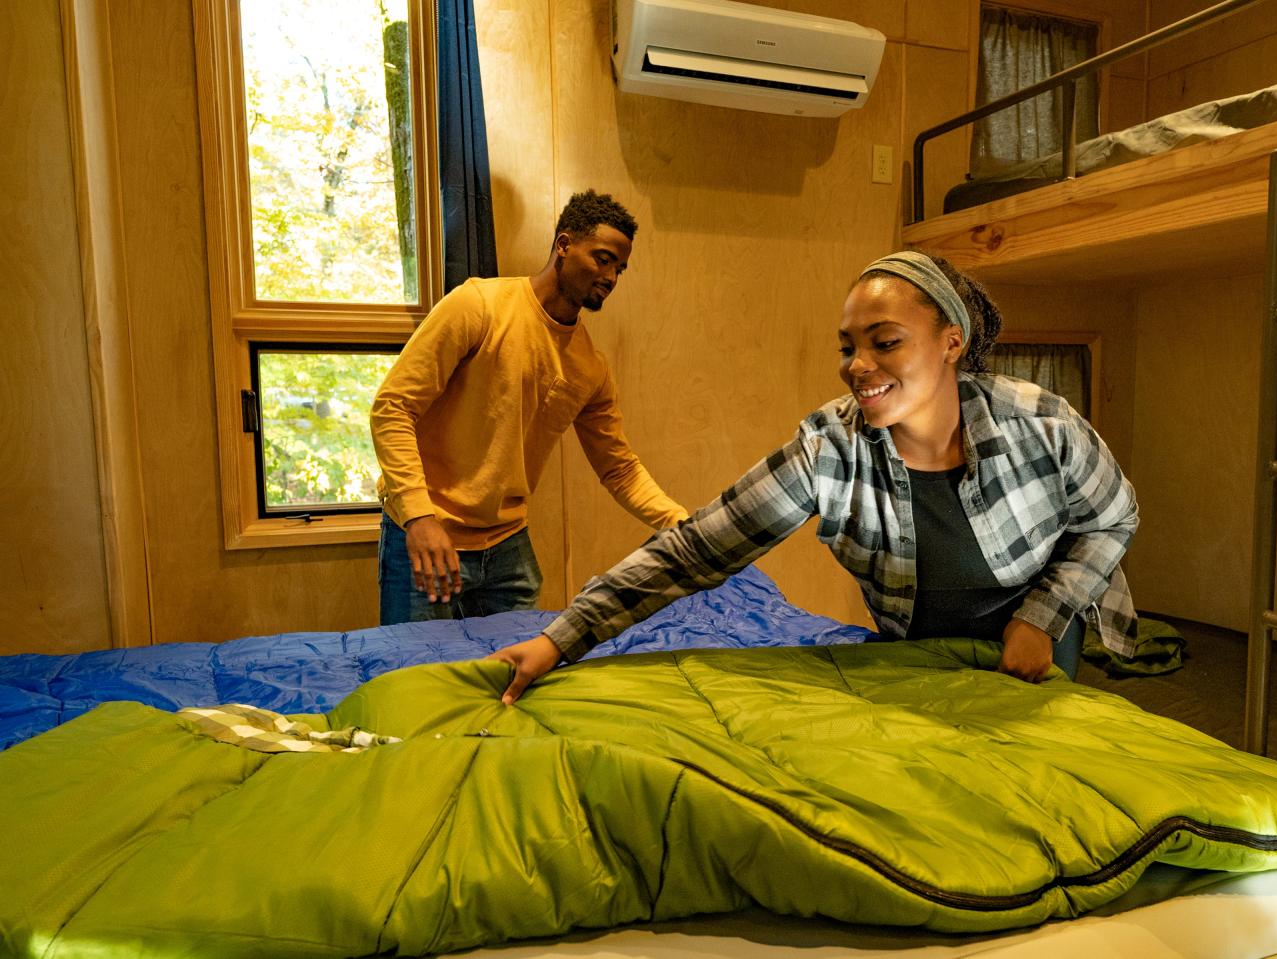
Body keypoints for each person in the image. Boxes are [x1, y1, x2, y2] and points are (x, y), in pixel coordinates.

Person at [489, 251, 1140, 701]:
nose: (858, 366)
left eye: (885, 342)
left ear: (951, 341)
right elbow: (696, 550)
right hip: (923, 641)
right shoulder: (831, 449)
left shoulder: (1041, 421)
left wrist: (1043, 616)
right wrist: (560, 638)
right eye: (850, 346)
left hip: (1039, 630)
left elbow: (1112, 514)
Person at [370, 190, 687, 625]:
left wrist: (682, 525)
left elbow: (620, 469)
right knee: (415, 681)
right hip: (430, 534)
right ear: (563, 245)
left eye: (620, 267)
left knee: (510, 685)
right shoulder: (478, 306)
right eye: (602, 258)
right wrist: (418, 517)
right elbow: (392, 408)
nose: (611, 277)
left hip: (508, 551)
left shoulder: (590, 367)